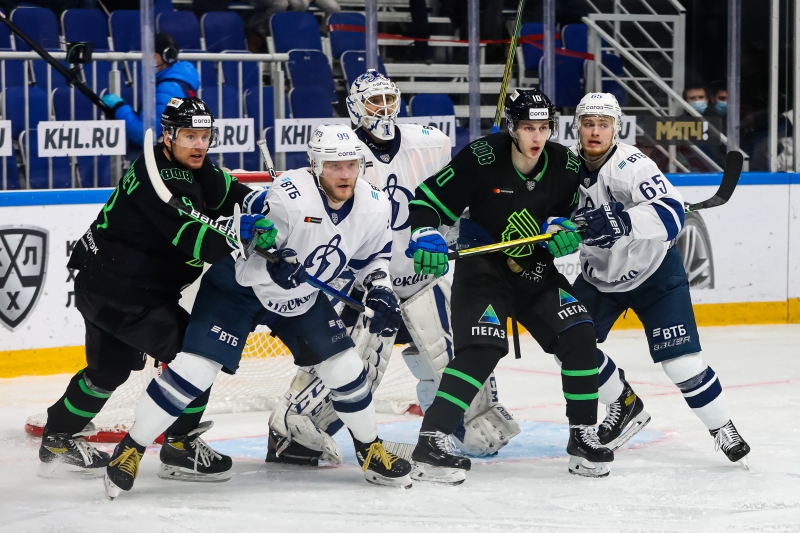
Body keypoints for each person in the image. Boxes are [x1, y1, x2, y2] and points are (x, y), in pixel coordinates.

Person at [103, 124, 413, 498]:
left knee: (346, 367)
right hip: (239, 288)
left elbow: (372, 259)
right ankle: (131, 449)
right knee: (194, 370)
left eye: (351, 165)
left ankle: (370, 449)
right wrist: (270, 259)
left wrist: (379, 289)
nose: (344, 174)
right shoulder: (289, 195)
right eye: (334, 166)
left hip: (300, 296)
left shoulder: (375, 204)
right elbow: (251, 246)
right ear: (315, 165)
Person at [264, 70, 520, 468]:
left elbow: (455, 198)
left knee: (459, 359)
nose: (384, 109)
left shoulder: (430, 142)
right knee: (353, 367)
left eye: (389, 99)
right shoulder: (342, 153)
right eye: (374, 101)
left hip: (424, 277)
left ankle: (452, 423)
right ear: (354, 108)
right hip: (364, 284)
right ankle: (293, 431)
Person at [39, 97, 275, 479]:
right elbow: (199, 241)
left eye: (205, 136)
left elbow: (228, 190)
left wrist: (263, 202)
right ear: (169, 136)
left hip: (102, 282)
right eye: (189, 136)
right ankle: (180, 446)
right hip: (127, 295)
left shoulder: (182, 163)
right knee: (197, 355)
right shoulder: (163, 181)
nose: (199, 145)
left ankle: (57, 437)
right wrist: (239, 234)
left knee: (108, 371)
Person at [406, 88, 614, 484]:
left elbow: (565, 216)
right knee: (482, 349)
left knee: (580, 334)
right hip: (483, 267)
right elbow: (426, 202)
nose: (537, 137)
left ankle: (582, 436)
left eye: (544, 128)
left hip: (534, 268)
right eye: (528, 128)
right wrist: (424, 234)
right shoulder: (481, 158)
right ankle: (431, 441)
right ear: (512, 128)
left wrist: (561, 230)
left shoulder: (565, 163)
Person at [566, 92, 750, 467]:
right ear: (577, 127)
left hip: (655, 274)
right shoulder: (563, 166)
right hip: (599, 278)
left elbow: (671, 214)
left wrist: (624, 221)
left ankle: (722, 427)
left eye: (604, 124)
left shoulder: (633, 165)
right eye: (588, 124)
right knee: (567, 344)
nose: (595, 131)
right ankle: (624, 404)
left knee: (682, 364)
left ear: (616, 129)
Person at [100, 33, 200, 147]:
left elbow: (145, 135)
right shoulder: (179, 82)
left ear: (163, 56)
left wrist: (118, 106)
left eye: (150, 54)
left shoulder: (168, 89)